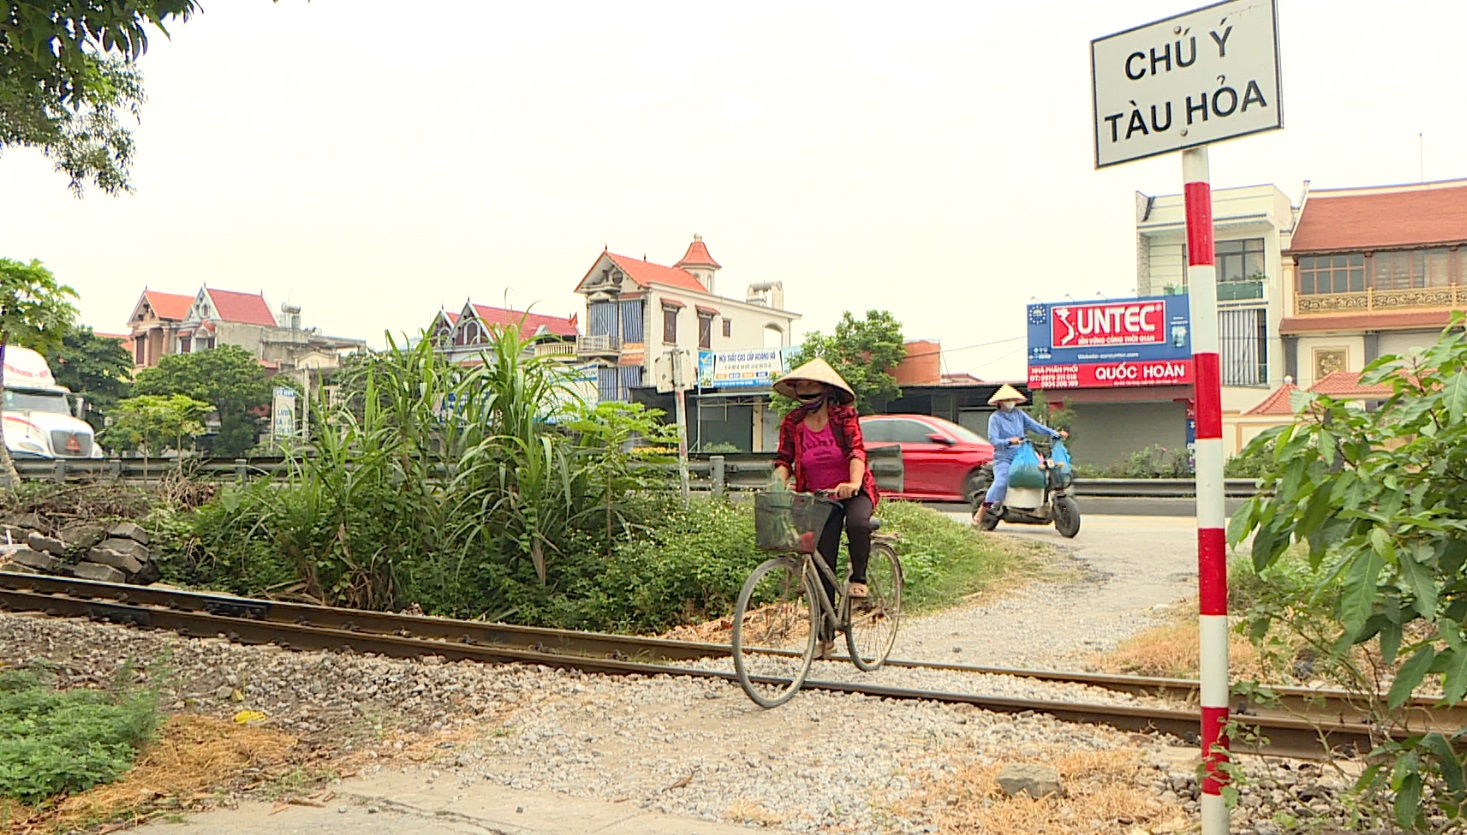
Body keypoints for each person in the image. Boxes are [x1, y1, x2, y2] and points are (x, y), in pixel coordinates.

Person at [772, 358, 880, 657]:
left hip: (851, 490)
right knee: (822, 564)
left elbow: (857, 451)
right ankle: (825, 637)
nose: (805, 390)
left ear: (825, 388)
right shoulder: (793, 422)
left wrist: (853, 483)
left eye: (811, 384)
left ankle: (859, 579)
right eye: (800, 385)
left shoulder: (843, 416)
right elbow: (784, 460)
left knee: (858, 523)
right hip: (817, 497)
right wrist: (776, 485)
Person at [975, 384, 1067, 526]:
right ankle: (981, 513)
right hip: (1004, 458)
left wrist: (1054, 433)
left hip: (1023, 455)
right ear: (999, 402)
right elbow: (994, 440)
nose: (1010, 402)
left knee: (1044, 472)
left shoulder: (1019, 415)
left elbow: (1036, 426)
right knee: (1001, 482)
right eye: (1007, 399)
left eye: (1012, 399)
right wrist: (1008, 441)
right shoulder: (995, 418)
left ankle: (1041, 506)